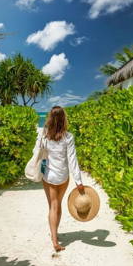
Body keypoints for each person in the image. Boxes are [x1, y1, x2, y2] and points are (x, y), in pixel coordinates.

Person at [34, 106, 85, 252]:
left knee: (52, 206)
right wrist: (79, 181)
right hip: (63, 176)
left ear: (49, 118)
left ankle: (55, 239)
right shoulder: (68, 137)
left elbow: (36, 151)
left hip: (48, 176)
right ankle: (55, 237)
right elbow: (72, 159)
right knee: (58, 205)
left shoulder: (44, 134)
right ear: (64, 119)